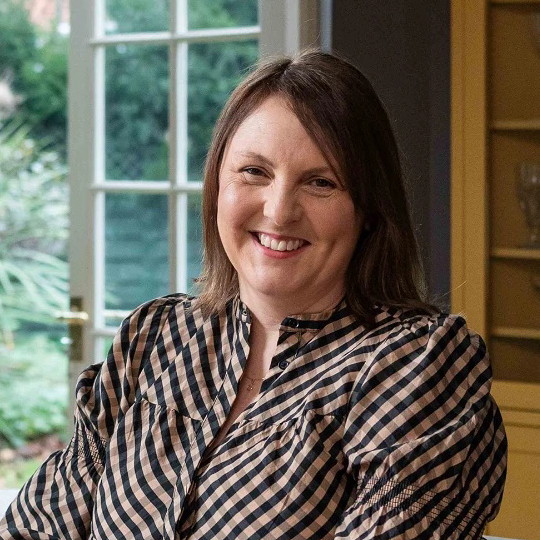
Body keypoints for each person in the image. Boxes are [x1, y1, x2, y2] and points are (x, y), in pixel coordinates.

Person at [0, 49, 506, 540]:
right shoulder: (152, 339)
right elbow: (35, 525)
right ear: (217, 185)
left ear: (369, 209)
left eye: (321, 182)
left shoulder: (418, 364)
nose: (280, 211)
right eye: (254, 172)